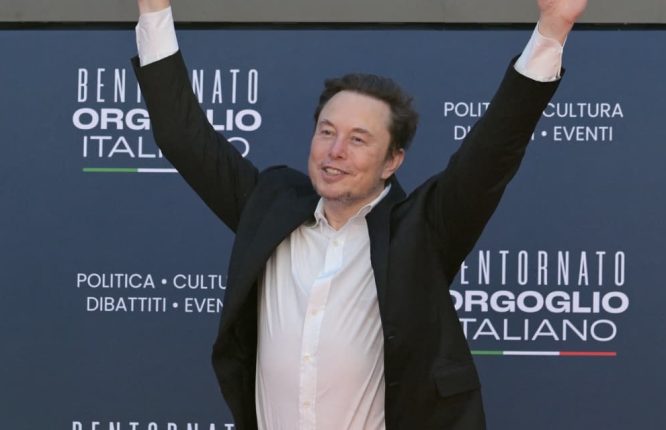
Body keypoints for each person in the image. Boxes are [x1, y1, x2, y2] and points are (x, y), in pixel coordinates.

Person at [132, 0, 587, 429]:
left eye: (358, 139)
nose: (335, 151)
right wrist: (154, 8)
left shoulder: (421, 232)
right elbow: (182, 136)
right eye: (326, 132)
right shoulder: (268, 208)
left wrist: (553, 29)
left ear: (392, 161)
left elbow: (493, 150)